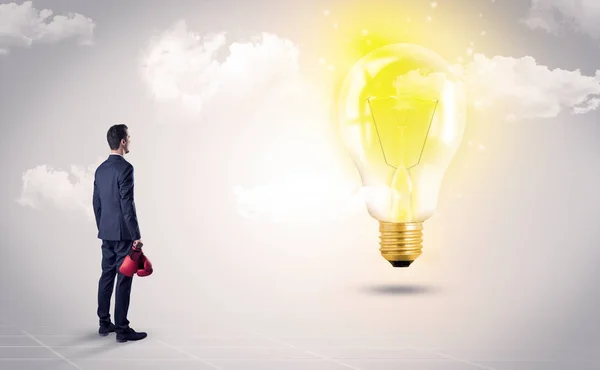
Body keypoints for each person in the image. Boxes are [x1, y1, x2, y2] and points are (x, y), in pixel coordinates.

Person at [92, 124, 147, 343]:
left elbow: (96, 203)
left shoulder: (100, 169)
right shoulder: (126, 168)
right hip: (124, 234)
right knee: (124, 279)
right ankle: (122, 329)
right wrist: (136, 235)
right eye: (129, 138)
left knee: (106, 275)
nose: (130, 141)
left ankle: (104, 323)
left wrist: (102, 226)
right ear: (123, 142)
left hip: (106, 232)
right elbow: (127, 203)